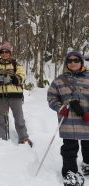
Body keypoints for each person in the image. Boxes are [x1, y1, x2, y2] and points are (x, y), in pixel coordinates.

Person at [47, 50, 89, 186]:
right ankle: (70, 172)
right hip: (68, 120)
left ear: (81, 62)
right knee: (69, 147)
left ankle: (87, 163)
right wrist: (59, 108)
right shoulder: (59, 80)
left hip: (86, 119)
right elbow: (51, 97)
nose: (73, 63)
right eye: (69, 61)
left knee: (88, 145)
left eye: (76, 60)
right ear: (66, 63)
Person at [0, 41, 32, 147]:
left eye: (6, 51)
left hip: (15, 95)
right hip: (1, 96)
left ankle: (24, 138)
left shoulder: (16, 64)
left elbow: (22, 77)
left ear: (10, 53)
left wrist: (11, 78)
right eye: (2, 52)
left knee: (19, 118)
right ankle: (2, 140)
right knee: (2, 119)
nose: (4, 53)